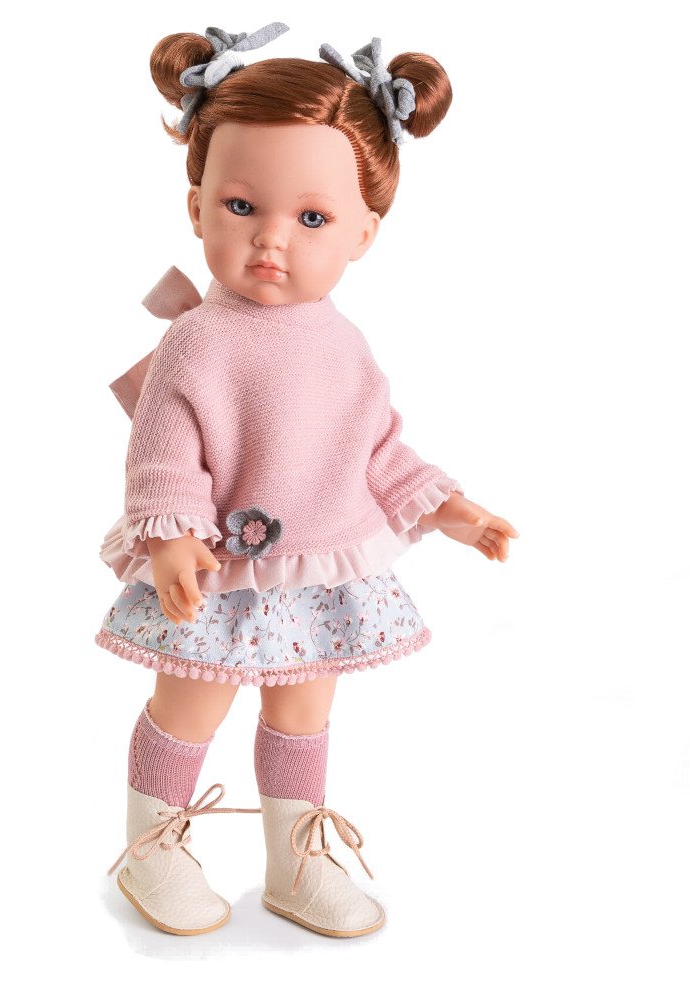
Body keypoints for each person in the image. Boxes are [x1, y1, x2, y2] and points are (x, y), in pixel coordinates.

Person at [97, 23, 519, 938]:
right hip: (213, 571)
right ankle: (153, 847)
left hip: (317, 569)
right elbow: (163, 450)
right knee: (189, 702)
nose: (271, 240)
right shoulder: (196, 341)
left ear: (365, 231)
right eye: (241, 206)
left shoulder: (343, 344)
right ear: (197, 206)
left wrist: (450, 509)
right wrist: (172, 535)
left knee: (304, 709)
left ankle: (296, 858)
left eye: (312, 219)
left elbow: (374, 447)